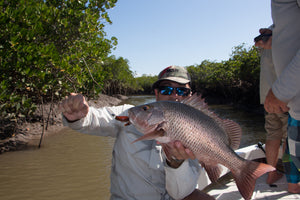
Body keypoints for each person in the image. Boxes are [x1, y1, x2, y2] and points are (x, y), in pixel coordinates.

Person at [59, 66, 210, 200]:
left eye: (182, 91)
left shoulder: (197, 133)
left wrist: (177, 161)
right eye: (167, 89)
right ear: (157, 94)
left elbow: (181, 193)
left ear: (190, 96)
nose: (175, 96)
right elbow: (95, 119)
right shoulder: (130, 114)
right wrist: (78, 116)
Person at [263, 0, 300, 193]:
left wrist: (281, 90)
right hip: (290, 103)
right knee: (286, 141)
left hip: (285, 97)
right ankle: (292, 182)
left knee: (279, 137)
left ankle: (285, 179)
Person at [255, 27, 288, 185]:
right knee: (291, 138)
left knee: (272, 135)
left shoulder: (265, 41)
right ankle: (293, 179)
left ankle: (271, 174)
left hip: (267, 99)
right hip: (285, 98)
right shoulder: (286, 35)